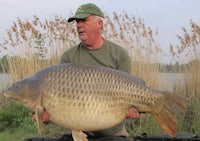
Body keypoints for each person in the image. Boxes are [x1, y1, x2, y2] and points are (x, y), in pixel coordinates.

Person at [31, 3, 140, 140]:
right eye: (77, 21)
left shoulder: (119, 55)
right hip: (79, 130)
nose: (79, 25)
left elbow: (128, 93)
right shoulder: (68, 57)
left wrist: (131, 110)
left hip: (113, 132)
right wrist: (48, 115)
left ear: (99, 24)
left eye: (84, 20)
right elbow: (62, 100)